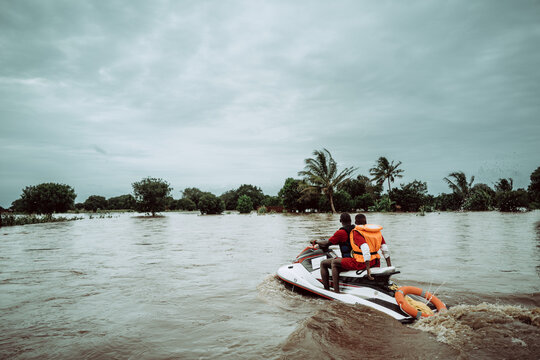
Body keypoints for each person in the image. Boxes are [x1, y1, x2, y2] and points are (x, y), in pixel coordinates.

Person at [312, 213, 391, 293]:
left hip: (360, 262)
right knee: (337, 261)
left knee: (332, 263)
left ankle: (334, 292)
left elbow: (365, 249)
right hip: (376, 261)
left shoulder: (355, 232)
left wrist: (368, 270)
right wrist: (389, 267)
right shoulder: (374, 232)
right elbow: (385, 249)